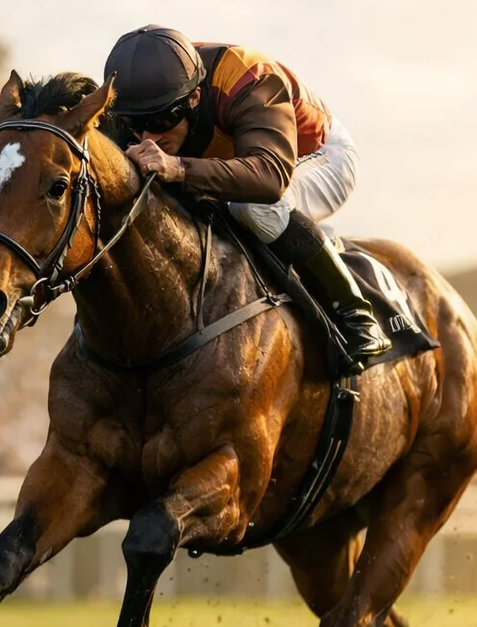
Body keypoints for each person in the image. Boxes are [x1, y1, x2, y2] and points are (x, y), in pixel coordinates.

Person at [103, 25, 391, 371]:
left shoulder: (248, 76)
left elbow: (269, 178)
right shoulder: (144, 90)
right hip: (234, 162)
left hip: (316, 157)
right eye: (136, 123)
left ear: (193, 98)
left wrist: (178, 167)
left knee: (251, 207)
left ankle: (354, 313)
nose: (150, 134)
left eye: (163, 119)